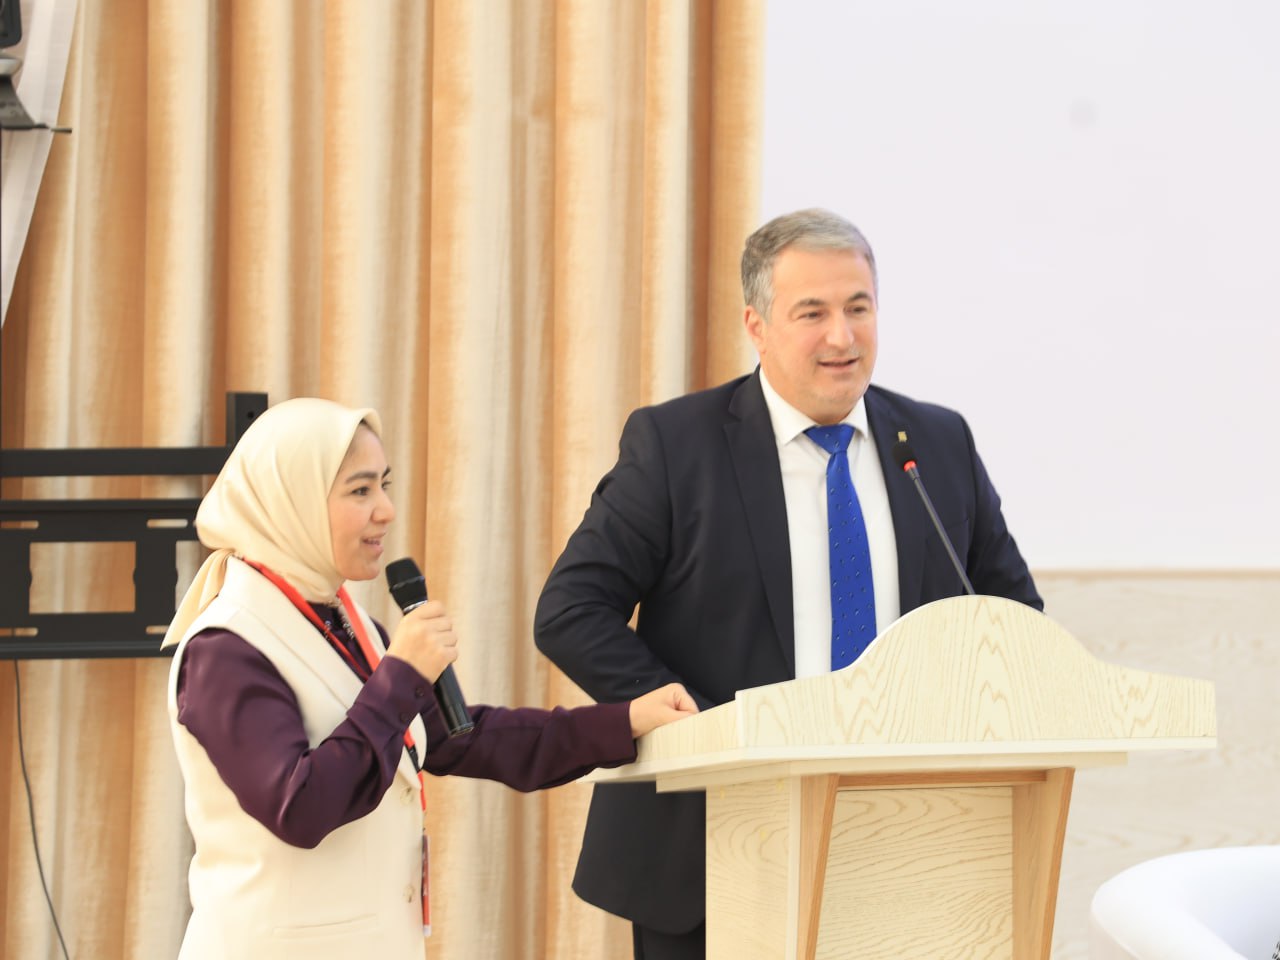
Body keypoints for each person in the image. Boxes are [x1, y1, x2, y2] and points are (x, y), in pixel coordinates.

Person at [534, 207, 1042, 959]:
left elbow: (1012, 616)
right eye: (813, 313)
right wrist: (689, 720)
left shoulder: (935, 443)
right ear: (758, 325)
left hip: (908, 841)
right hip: (717, 841)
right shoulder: (677, 446)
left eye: (858, 308)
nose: (842, 336)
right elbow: (571, 608)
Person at [162, 397, 697, 960]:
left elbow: (464, 738)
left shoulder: (345, 623)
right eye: (360, 491)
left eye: (384, 485)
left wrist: (624, 721)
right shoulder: (225, 649)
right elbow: (301, 807)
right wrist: (402, 674)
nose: (387, 510)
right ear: (289, 503)